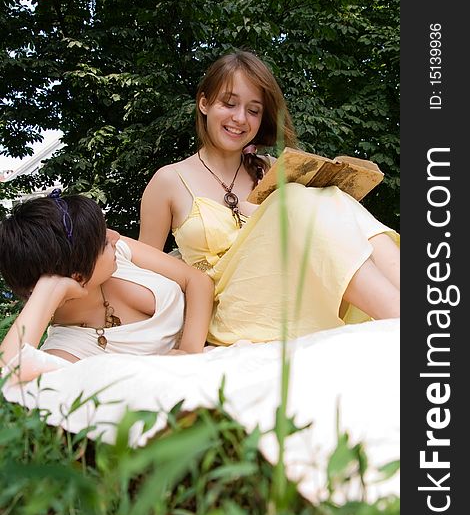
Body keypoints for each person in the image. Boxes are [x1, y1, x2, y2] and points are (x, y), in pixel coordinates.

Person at [138, 50, 400, 346]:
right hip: (227, 310)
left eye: (253, 110)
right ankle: (397, 314)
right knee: (296, 199)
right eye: (229, 103)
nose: (240, 118)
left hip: (285, 292)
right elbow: (147, 272)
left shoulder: (270, 168)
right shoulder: (169, 181)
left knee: (331, 195)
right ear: (204, 103)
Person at [0, 191, 214, 376]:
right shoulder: (67, 351)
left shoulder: (117, 253)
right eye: (103, 241)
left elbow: (197, 280)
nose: (115, 236)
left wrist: (189, 352)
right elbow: (7, 378)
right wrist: (49, 290)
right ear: (77, 276)